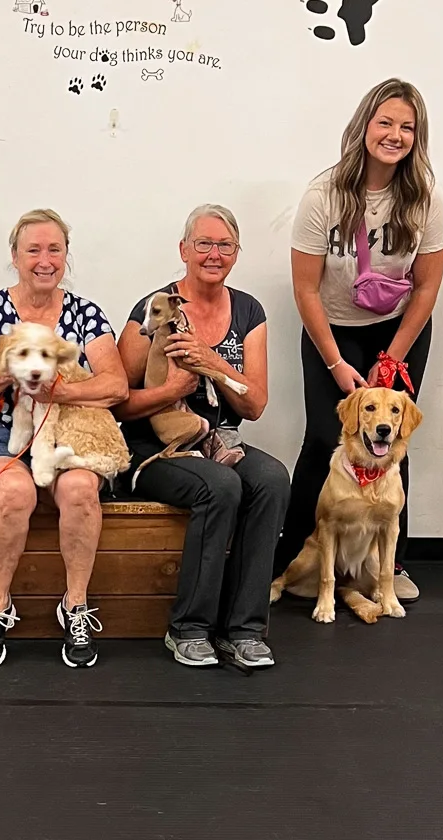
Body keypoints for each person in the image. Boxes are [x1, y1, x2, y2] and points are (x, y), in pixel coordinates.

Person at [275, 78, 443, 603]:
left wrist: (391, 359)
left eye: (407, 127)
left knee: (390, 437)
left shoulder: (425, 198)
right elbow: (305, 289)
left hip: (398, 328)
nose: (395, 135)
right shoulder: (323, 195)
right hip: (331, 327)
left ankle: (389, 565)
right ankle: (290, 559)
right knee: (322, 439)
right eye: (385, 123)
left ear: (417, 137)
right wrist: (334, 364)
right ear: (363, 127)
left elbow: (427, 287)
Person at [0, 209, 128, 669]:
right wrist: (11, 369)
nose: (45, 260)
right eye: (33, 250)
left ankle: (75, 606)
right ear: (15, 256)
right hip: (2, 431)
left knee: (81, 488)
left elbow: (116, 387)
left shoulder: (86, 313)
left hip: (68, 428)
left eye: (54, 249)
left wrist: (60, 391)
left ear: (66, 256)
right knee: (13, 491)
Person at [113, 205, 288, 669]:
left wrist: (213, 362)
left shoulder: (249, 311)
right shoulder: (154, 307)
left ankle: (244, 629)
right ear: (184, 250)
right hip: (152, 447)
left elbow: (254, 404)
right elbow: (117, 402)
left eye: (225, 245)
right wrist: (171, 391)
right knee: (221, 485)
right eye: (204, 244)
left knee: (272, 479)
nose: (214, 254)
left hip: (217, 439)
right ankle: (189, 628)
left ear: (237, 252)